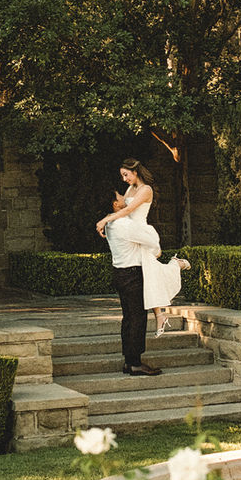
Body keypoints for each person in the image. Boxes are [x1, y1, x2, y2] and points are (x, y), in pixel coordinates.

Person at [97, 159, 191, 375]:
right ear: (115, 204)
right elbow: (150, 240)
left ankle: (129, 361)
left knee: (129, 317)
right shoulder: (124, 224)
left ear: (135, 171)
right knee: (137, 317)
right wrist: (153, 246)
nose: (123, 185)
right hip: (132, 270)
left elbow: (128, 208)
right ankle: (135, 362)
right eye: (118, 196)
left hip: (121, 271)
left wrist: (107, 218)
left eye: (125, 175)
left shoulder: (120, 216)